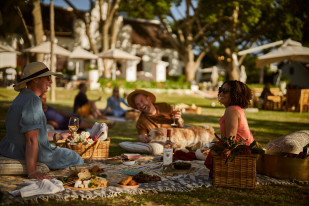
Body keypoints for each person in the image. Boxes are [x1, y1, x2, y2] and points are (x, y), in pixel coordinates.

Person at [0, 62, 83, 180]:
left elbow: (33, 133)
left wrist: (58, 136)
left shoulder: (20, 98)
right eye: (47, 78)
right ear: (35, 80)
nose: (51, 81)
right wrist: (32, 171)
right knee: (75, 157)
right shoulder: (33, 101)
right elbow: (31, 140)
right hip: (29, 153)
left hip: (10, 150)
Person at [205, 80, 254, 177]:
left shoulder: (231, 110)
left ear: (235, 94)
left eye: (225, 90)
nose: (221, 93)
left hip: (239, 151)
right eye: (220, 90)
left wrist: (225, 151)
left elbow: (231, 139)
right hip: (244, 147)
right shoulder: (236, 109)